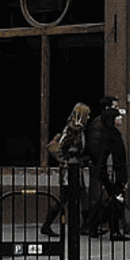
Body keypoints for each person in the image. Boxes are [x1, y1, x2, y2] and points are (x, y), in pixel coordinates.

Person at [40, 102, 91, 237]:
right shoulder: (71, 130)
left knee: (81, 196)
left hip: (75, 168)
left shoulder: (79, 130)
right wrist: (73, 155)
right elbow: (62, 148)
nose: (89, 117)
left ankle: (86, 225)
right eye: (87, 114)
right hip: (69, 170)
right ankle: (47, 225)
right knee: (65, 197)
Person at [83, 97, 129, 241]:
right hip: (112, 173)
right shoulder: (109, 134)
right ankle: (113, 230)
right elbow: (109, 156)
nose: (120, 118)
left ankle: (94, 225)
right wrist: (114, 175)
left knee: (110, 201)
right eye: (117, 115)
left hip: (109, 173)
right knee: (115, 201)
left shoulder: (109, 132)